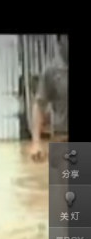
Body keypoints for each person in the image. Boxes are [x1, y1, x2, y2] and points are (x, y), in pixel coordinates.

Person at [29, 34, 68, 162]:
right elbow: (39, 104)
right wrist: (36, 142)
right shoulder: (51, 72)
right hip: (63, 141)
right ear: (59, 42)